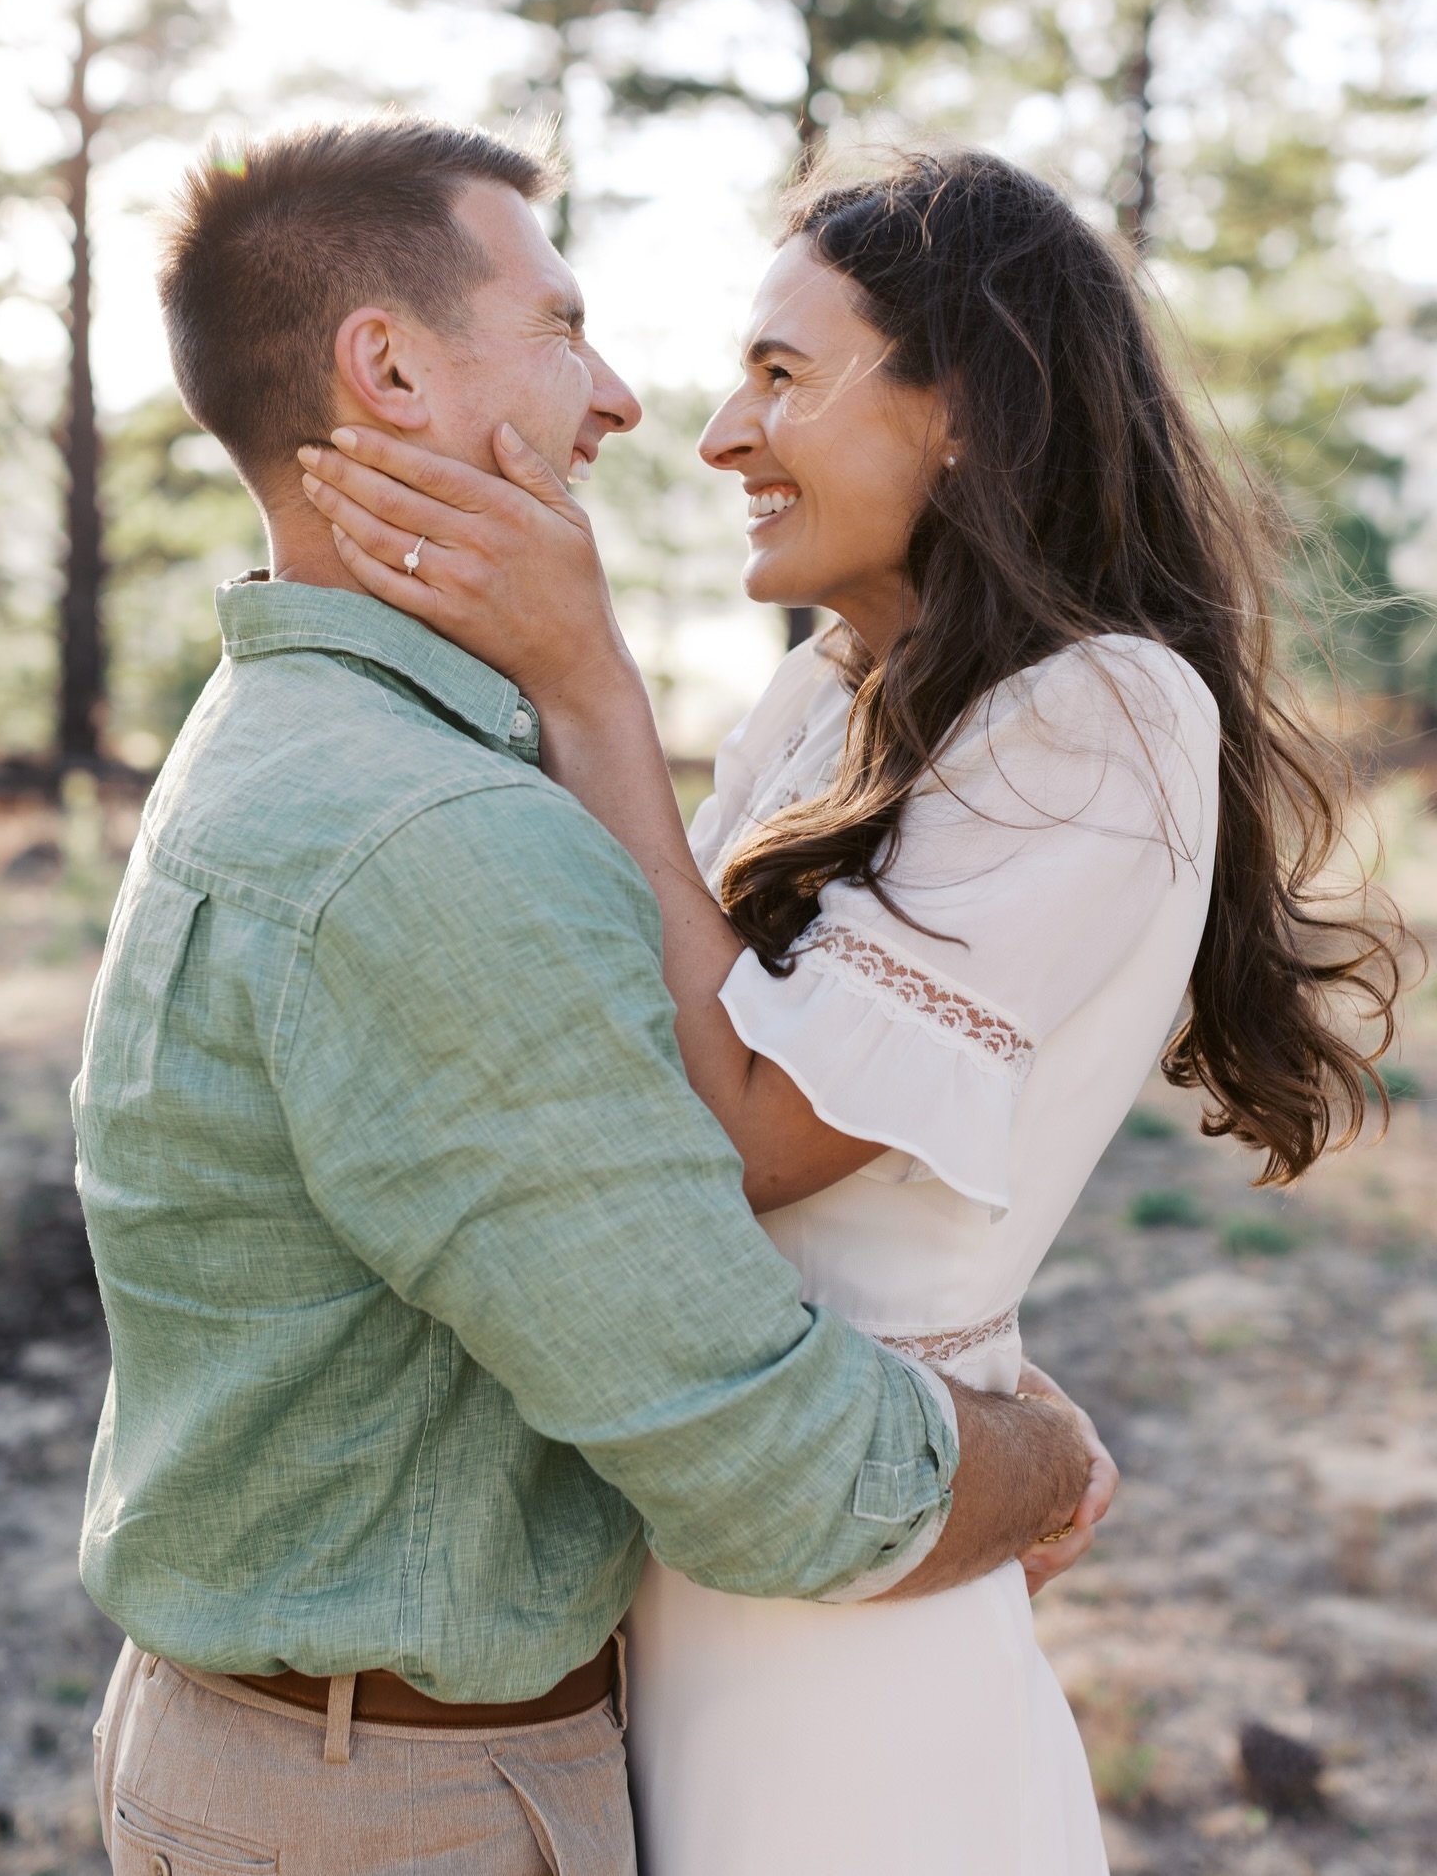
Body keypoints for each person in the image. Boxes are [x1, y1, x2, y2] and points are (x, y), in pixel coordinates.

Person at [304, 146, 1410, 1872]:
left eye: (781, 374)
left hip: (834, 1647)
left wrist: (589, 681)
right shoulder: (834, 695)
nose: (719, 436)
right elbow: (643, 1013)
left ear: (965, 409)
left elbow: (746, 1133)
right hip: (707, 1533)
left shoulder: (1107, 715)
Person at [75, 118, 1109, 1875]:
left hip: (270, 1758)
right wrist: (1040, 1457)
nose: (623, 400)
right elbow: (773, 1476)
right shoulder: (439, 835)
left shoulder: (280, 738)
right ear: (390, 368)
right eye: (561, 326)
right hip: (398, 1814)